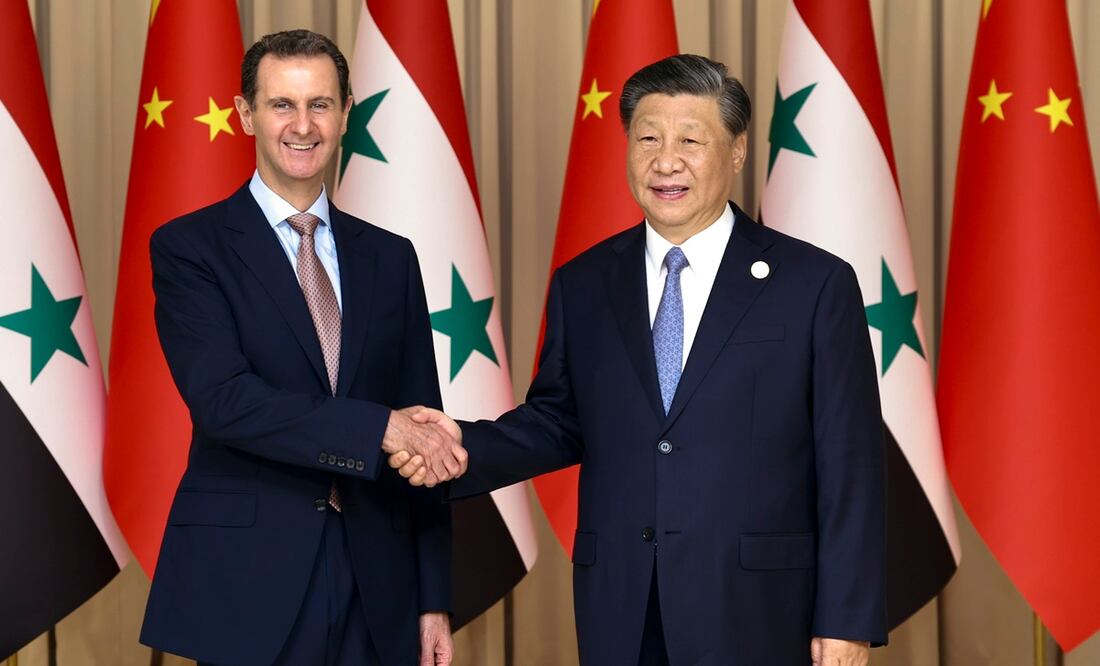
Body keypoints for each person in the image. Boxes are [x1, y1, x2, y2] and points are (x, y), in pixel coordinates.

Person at [392, 54, 886, 665]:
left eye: (690, 141)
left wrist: (847, 619)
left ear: (736, 151)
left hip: (760, 607)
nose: (666, 161)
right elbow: (558, 421)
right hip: (623, 604)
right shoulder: (584, 282)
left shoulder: (813, 284)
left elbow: (851, 463)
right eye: (648, 138)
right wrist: (457, 445)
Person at [139, 29, 465, 666]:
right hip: (248, 578)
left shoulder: (391, 257)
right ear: (246, 114)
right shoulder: (190, 248)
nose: (302, 125)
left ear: (346, 113)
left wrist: (434, 599)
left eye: (320, 104)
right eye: (281, 105)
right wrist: (379, 429)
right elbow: (225, 402)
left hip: (380, 582)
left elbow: (423, 428)